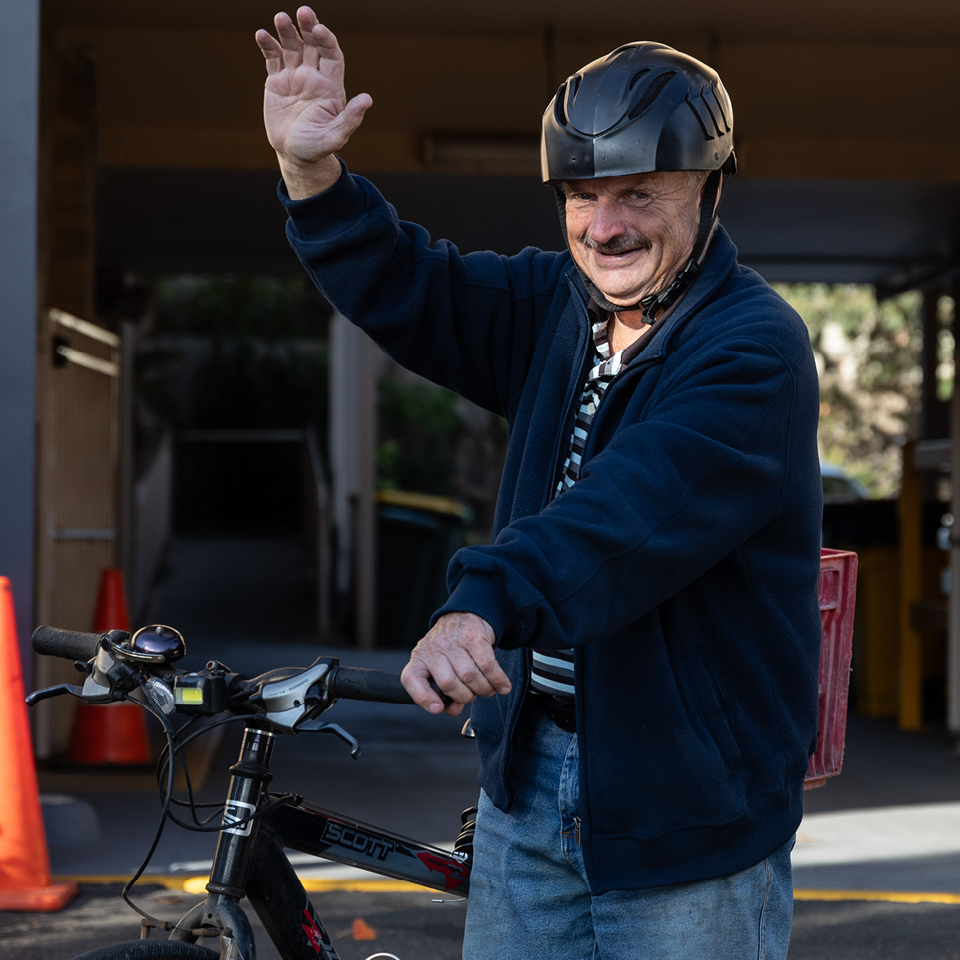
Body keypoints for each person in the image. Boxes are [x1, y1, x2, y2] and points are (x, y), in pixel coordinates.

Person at [256, 9, 823, 958]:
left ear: (708, 190)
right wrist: (312, 174)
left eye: (640, 195)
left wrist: (482, 601)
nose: (604, 228)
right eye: (581, 195)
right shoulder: (556, 305)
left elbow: (629, 513)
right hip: (528, 783)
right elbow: (416, 285)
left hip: (686, 808)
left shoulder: (751, 348)